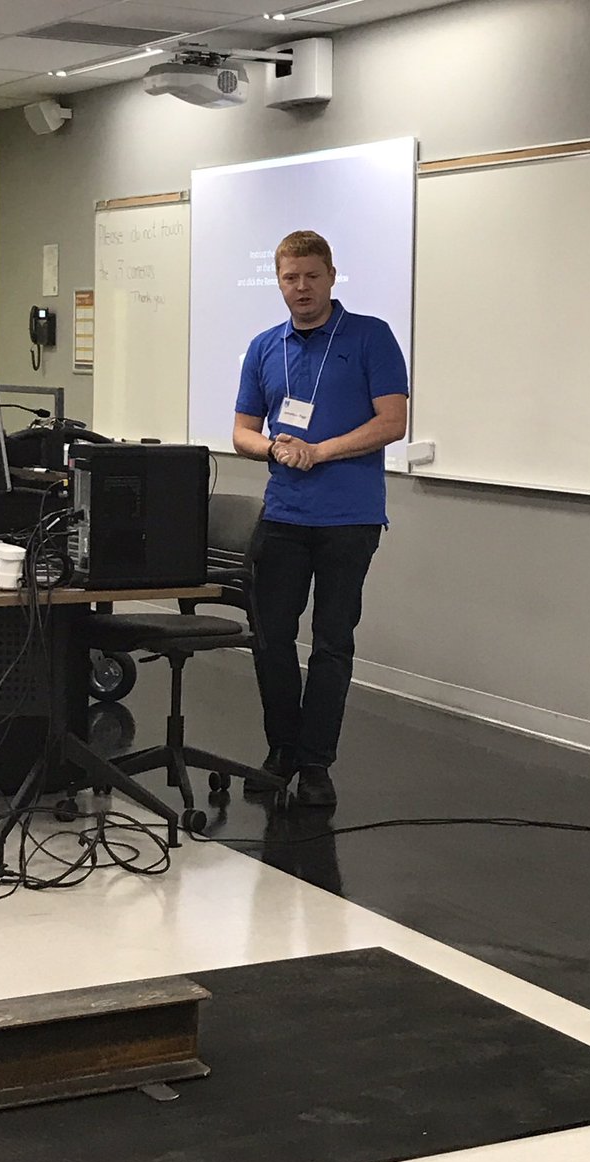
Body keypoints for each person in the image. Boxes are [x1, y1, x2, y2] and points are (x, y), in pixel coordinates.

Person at [233, 230, 408, 808]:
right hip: (283, 515)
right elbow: (241, 432)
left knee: (332, 643)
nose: (301, 287)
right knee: (271, 637)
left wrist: (320, 451)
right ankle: (281, 750)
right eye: (290, 277)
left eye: (311, 275)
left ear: (332, 276)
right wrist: (275, 449)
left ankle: (316, 764)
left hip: (348, 519)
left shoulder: (370, 337)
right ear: (278, 281)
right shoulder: (263, 346)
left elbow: (392, 423)